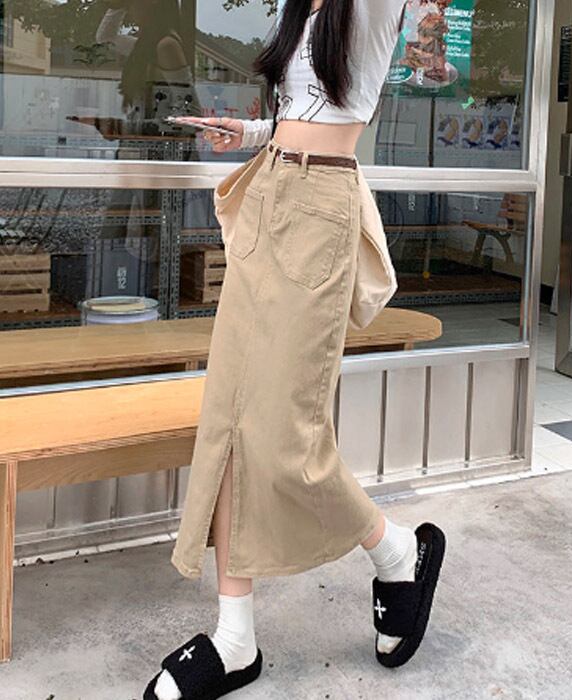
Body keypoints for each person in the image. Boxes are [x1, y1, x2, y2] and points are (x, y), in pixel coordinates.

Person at [144, 2, 446, 698]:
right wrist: (252, 130)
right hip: (271, 189)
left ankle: (396, 549)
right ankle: (235, 638)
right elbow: (306, 110)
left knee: (286, 437)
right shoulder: (301, 8)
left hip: (319, 209)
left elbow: (338, 121)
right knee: (229, 420)